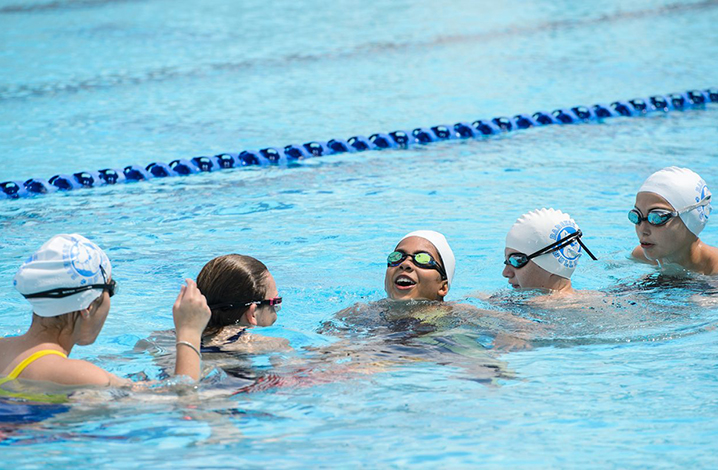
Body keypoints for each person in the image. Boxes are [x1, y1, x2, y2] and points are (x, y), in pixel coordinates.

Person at [1, 234, 210, 400]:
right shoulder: (80, 375)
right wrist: (189, 332)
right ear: (88, 306)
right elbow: (183, 397)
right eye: (111, 289)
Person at [629, 166, 718, 275]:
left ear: (690, 220)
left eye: (657, 217)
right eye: (636, 216)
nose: (642, 229)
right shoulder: (641, 256)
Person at [195, 254, 288, 354]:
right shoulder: (272, 345)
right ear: (253, 313)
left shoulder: (182, 337)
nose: (275, 310)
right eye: (275, 303)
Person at [502, 208, 596, 293]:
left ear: (551, 263)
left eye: (517, 260)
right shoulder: (602, 298)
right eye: (507, 261)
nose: (505, 273)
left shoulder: (516, 309)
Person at [384, 230, 456, 302]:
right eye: (397, 256)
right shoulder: (373, 311)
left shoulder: (461, 312)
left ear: (443, 287)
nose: (405, 264)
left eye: (422, 258)